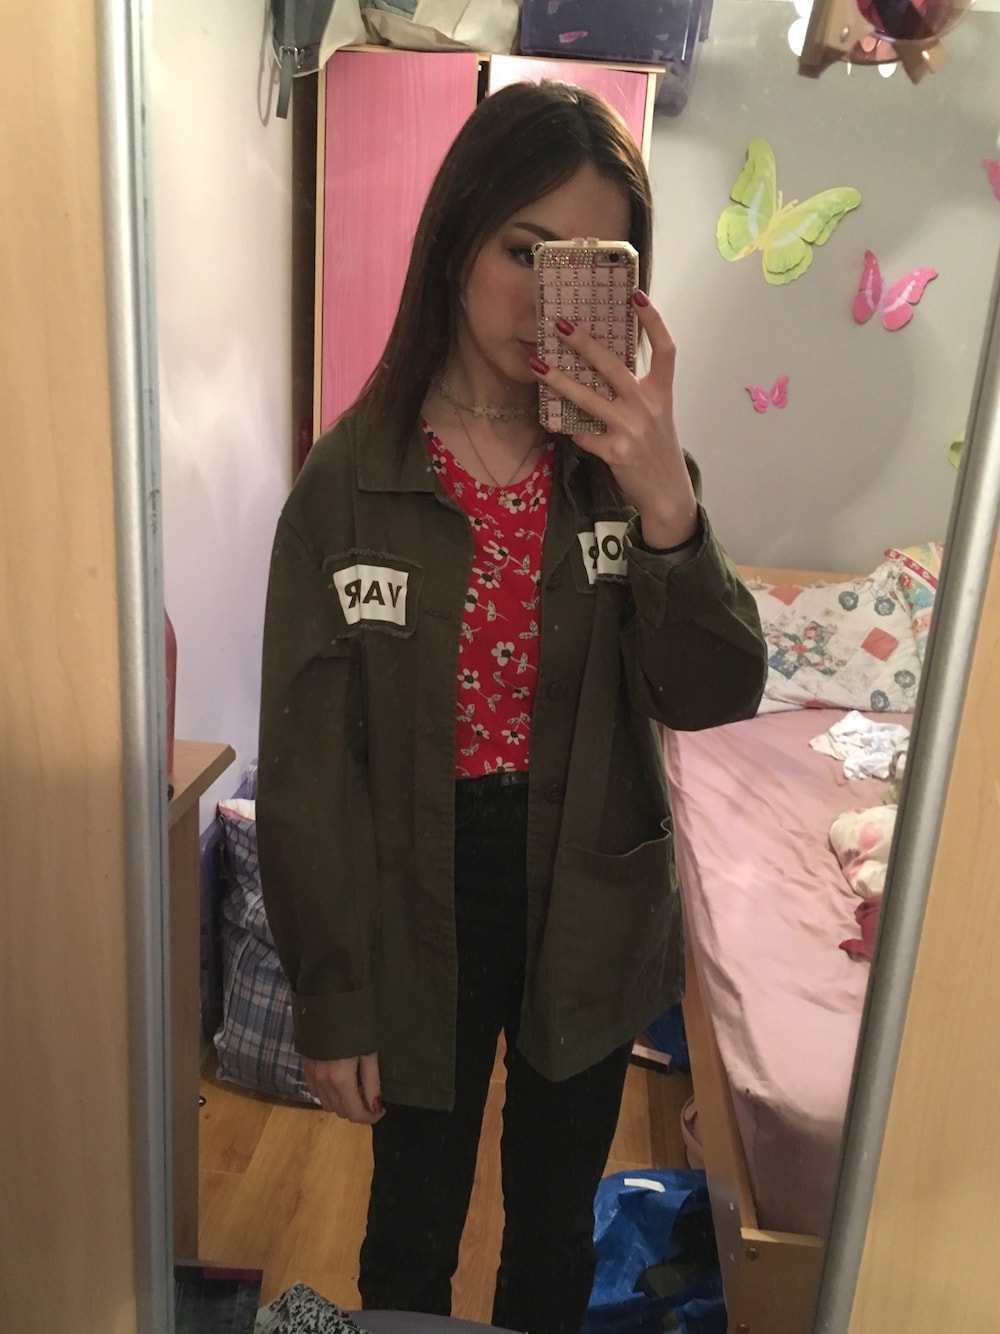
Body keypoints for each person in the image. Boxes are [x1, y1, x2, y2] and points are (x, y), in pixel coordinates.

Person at [257, 79, 767, 1334]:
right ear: (455, 244)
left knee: (552, 1226)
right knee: (410, 1220)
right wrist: (332, 993)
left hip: (587, 887)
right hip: (415, 890)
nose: (544, 297)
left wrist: (667, 507)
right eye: (521, 250)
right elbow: (309, 769)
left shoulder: (628, 473)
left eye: (585, 266)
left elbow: (712, 692)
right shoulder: (350, 479)